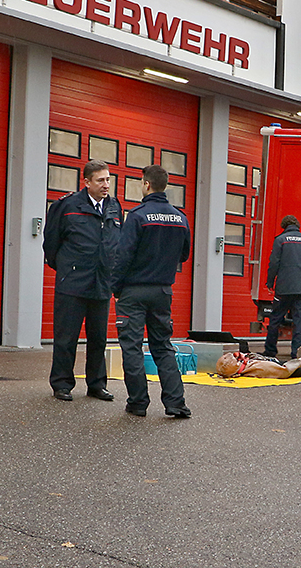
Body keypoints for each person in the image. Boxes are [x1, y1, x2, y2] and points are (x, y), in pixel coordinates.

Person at [112, 165, 192, 418]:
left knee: (132, 347)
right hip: (162, 291)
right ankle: (175, 403)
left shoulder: (137, 216)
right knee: (163, 346)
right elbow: (184, 255)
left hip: (134, 292)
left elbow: (123, 256)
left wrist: (116, 287)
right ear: (165, 185)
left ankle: (138, 403)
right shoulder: (180, 218)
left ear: (146, 185)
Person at [43, 159, 122, 402]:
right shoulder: (67, 206)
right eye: (100, 180)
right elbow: (51, 243)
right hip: (73, 282)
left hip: (101, 282)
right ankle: (62, 384)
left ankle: (96, 385)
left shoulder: (114, 207)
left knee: (98, 338)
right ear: (86, 182)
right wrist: (68, 268)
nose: (106, 184)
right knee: (66, 337)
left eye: (108, 179)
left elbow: (118, 242)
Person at [262, 215, 301, 360]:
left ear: (284, 226)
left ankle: (270, 351)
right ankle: (296, 353)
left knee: (275, 318)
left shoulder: (280, 240)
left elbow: (274, 263)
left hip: (284, 287)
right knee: (298, 321)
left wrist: (270, 282)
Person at [215, 351, 301, 379]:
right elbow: (283, 371)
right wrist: (298, 363)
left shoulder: (244, 365)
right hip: (284, 368)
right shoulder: (258, 368)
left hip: (274, 363)